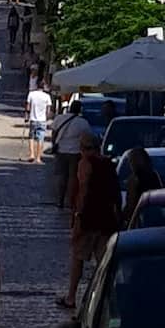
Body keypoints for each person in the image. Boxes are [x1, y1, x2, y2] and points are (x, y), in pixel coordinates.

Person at [57, 132, 121, 309]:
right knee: (103, 261)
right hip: (106, 219)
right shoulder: (108, 164)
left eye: (84, 148)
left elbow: (83, 192)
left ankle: (71, 297)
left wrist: (77, 215)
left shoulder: (85, 164)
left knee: (78, 256)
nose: (82, 151)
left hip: (89, 218)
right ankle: (106, 298)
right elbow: (115, 195)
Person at [51, 100, 93, 209]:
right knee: (72, 177)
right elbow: (87, 137)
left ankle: (60, 200)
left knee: (61, 176)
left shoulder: (59, 118)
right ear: (80, 110)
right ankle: (70, 201)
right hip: (75, 152)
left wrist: (54, 144)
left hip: (61, 151)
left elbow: (53, 133)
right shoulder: (83, 123)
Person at [122, 146, 164, 226]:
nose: (130, 164)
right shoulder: (154, 176)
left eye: (132, 161)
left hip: (143, 218)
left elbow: (131, 203)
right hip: (152, 217)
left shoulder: (136, 180)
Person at [24, 77, 53, 164]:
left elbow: (28, 106)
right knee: (40, 139)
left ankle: (32, 154)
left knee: (31, 137)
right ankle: (38, 158)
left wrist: (26, 116)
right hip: (42, 120)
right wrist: (47, 118)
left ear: (36, 85)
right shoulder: (47, 96)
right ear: (44, 87)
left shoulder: (31, 94)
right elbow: (48, 110)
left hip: (33, 119)